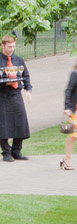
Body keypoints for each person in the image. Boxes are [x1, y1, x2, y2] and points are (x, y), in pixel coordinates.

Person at [0, 36, 31, 164]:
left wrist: (28, 90)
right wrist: (4, 83)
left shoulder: (18, 60)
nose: (11, 49)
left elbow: (26, 76)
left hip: (16, 94)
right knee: (4, 124)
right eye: (9, 47)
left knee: (20, 122)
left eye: (13, 46)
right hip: (2, 95)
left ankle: (16, 151)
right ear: (3, 46)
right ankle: (6, 152)